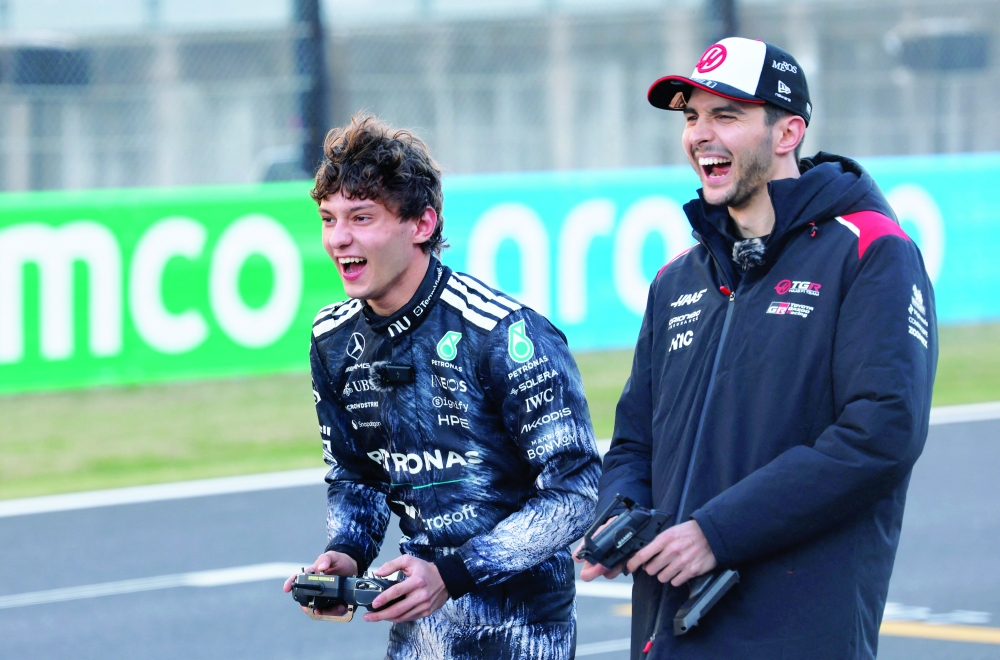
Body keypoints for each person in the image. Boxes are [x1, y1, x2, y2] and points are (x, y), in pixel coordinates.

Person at [577, 37, 937, 659]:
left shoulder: (871, 249)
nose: (700, 134)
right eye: (692, 117)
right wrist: (620, 512)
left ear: (787, 132)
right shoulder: (675, 279)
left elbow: (882, 433)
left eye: (726, 115)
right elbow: (636, 441)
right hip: (669, 630)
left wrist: (715, 534)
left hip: (796, 634)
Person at [283, 113, 601, 659]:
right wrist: (347, 554)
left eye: (361, 217)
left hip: (521, 635)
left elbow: (576, 492)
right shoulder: (332, 339)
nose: (339, 239)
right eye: (329, 219)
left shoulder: (505, 334)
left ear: (422, 224)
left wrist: (454, 573)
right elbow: (356, 474)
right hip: (421, 635)